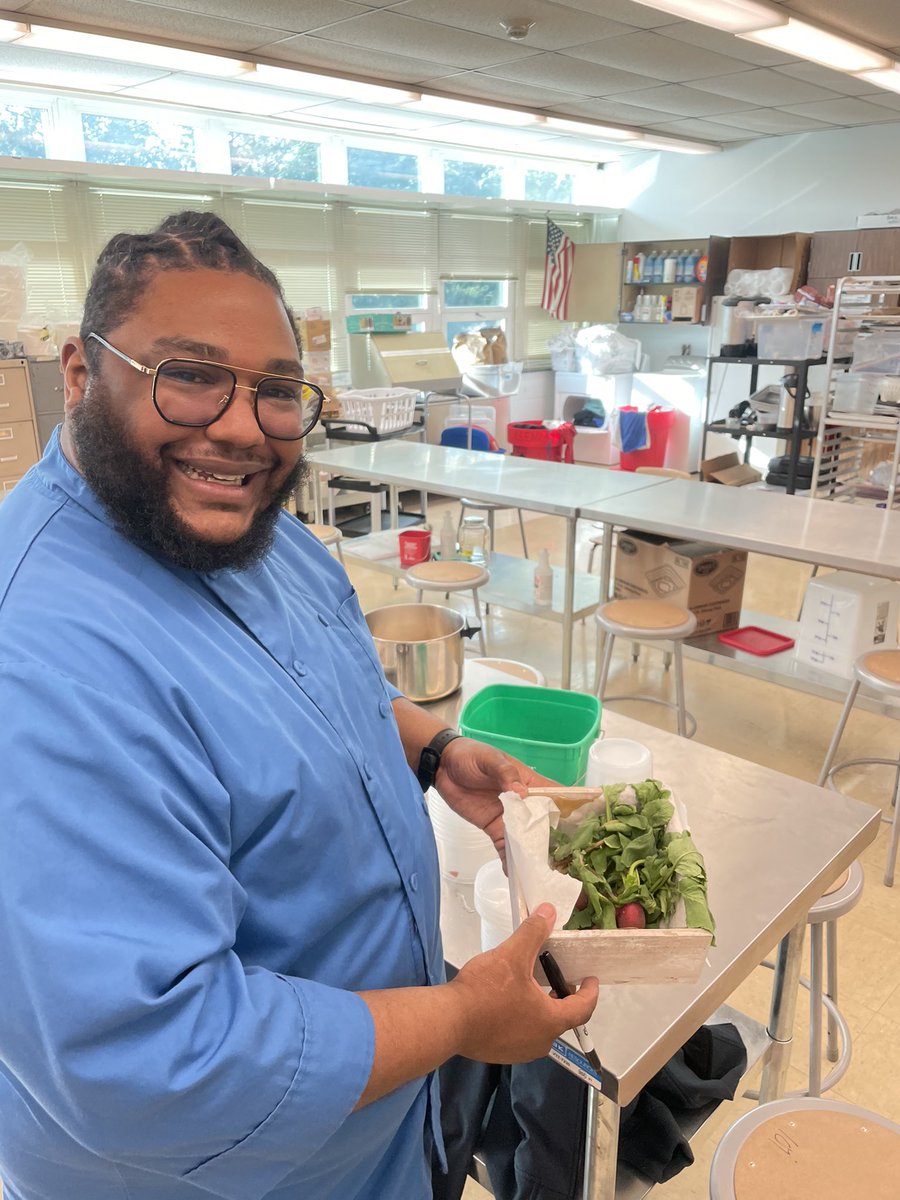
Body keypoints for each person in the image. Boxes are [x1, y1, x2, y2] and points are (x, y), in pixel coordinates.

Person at [0, 212, 598, 1200]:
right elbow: (150, 1066)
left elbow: (293, 669)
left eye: (278, 391)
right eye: (187, 374)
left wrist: (428, 746)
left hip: (377, 1132)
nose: (241, 426)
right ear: (78, 371)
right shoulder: (41, 660)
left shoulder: (226, 520)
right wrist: (461, 1018)